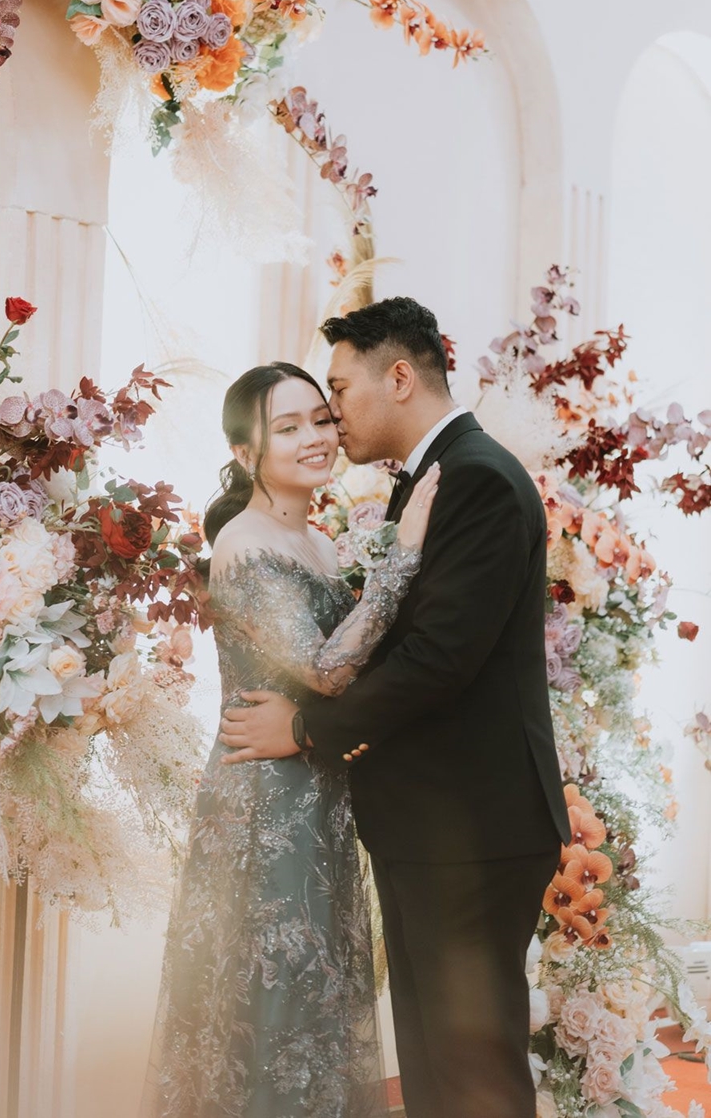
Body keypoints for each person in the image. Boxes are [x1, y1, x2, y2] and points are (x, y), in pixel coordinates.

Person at [219, 298, 572, 1118]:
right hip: (438, 826)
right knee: (437, 1072)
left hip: (472, 832)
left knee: (473, 1075)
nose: (333, 416)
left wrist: (304, 729)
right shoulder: (436, 477)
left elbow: (438, 659)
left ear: (401, 377)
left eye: (339, 392)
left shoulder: (475, 478)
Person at [140, 360, 440, 1118]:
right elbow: (327, 670)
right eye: (288, 427)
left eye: (321, 419)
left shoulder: (319, 543)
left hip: (314, 783)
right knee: (274, 997)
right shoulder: (244, 544)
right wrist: (403, 556)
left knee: (318, 996)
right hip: (264, 801)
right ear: (245, 452)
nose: (315, 437)